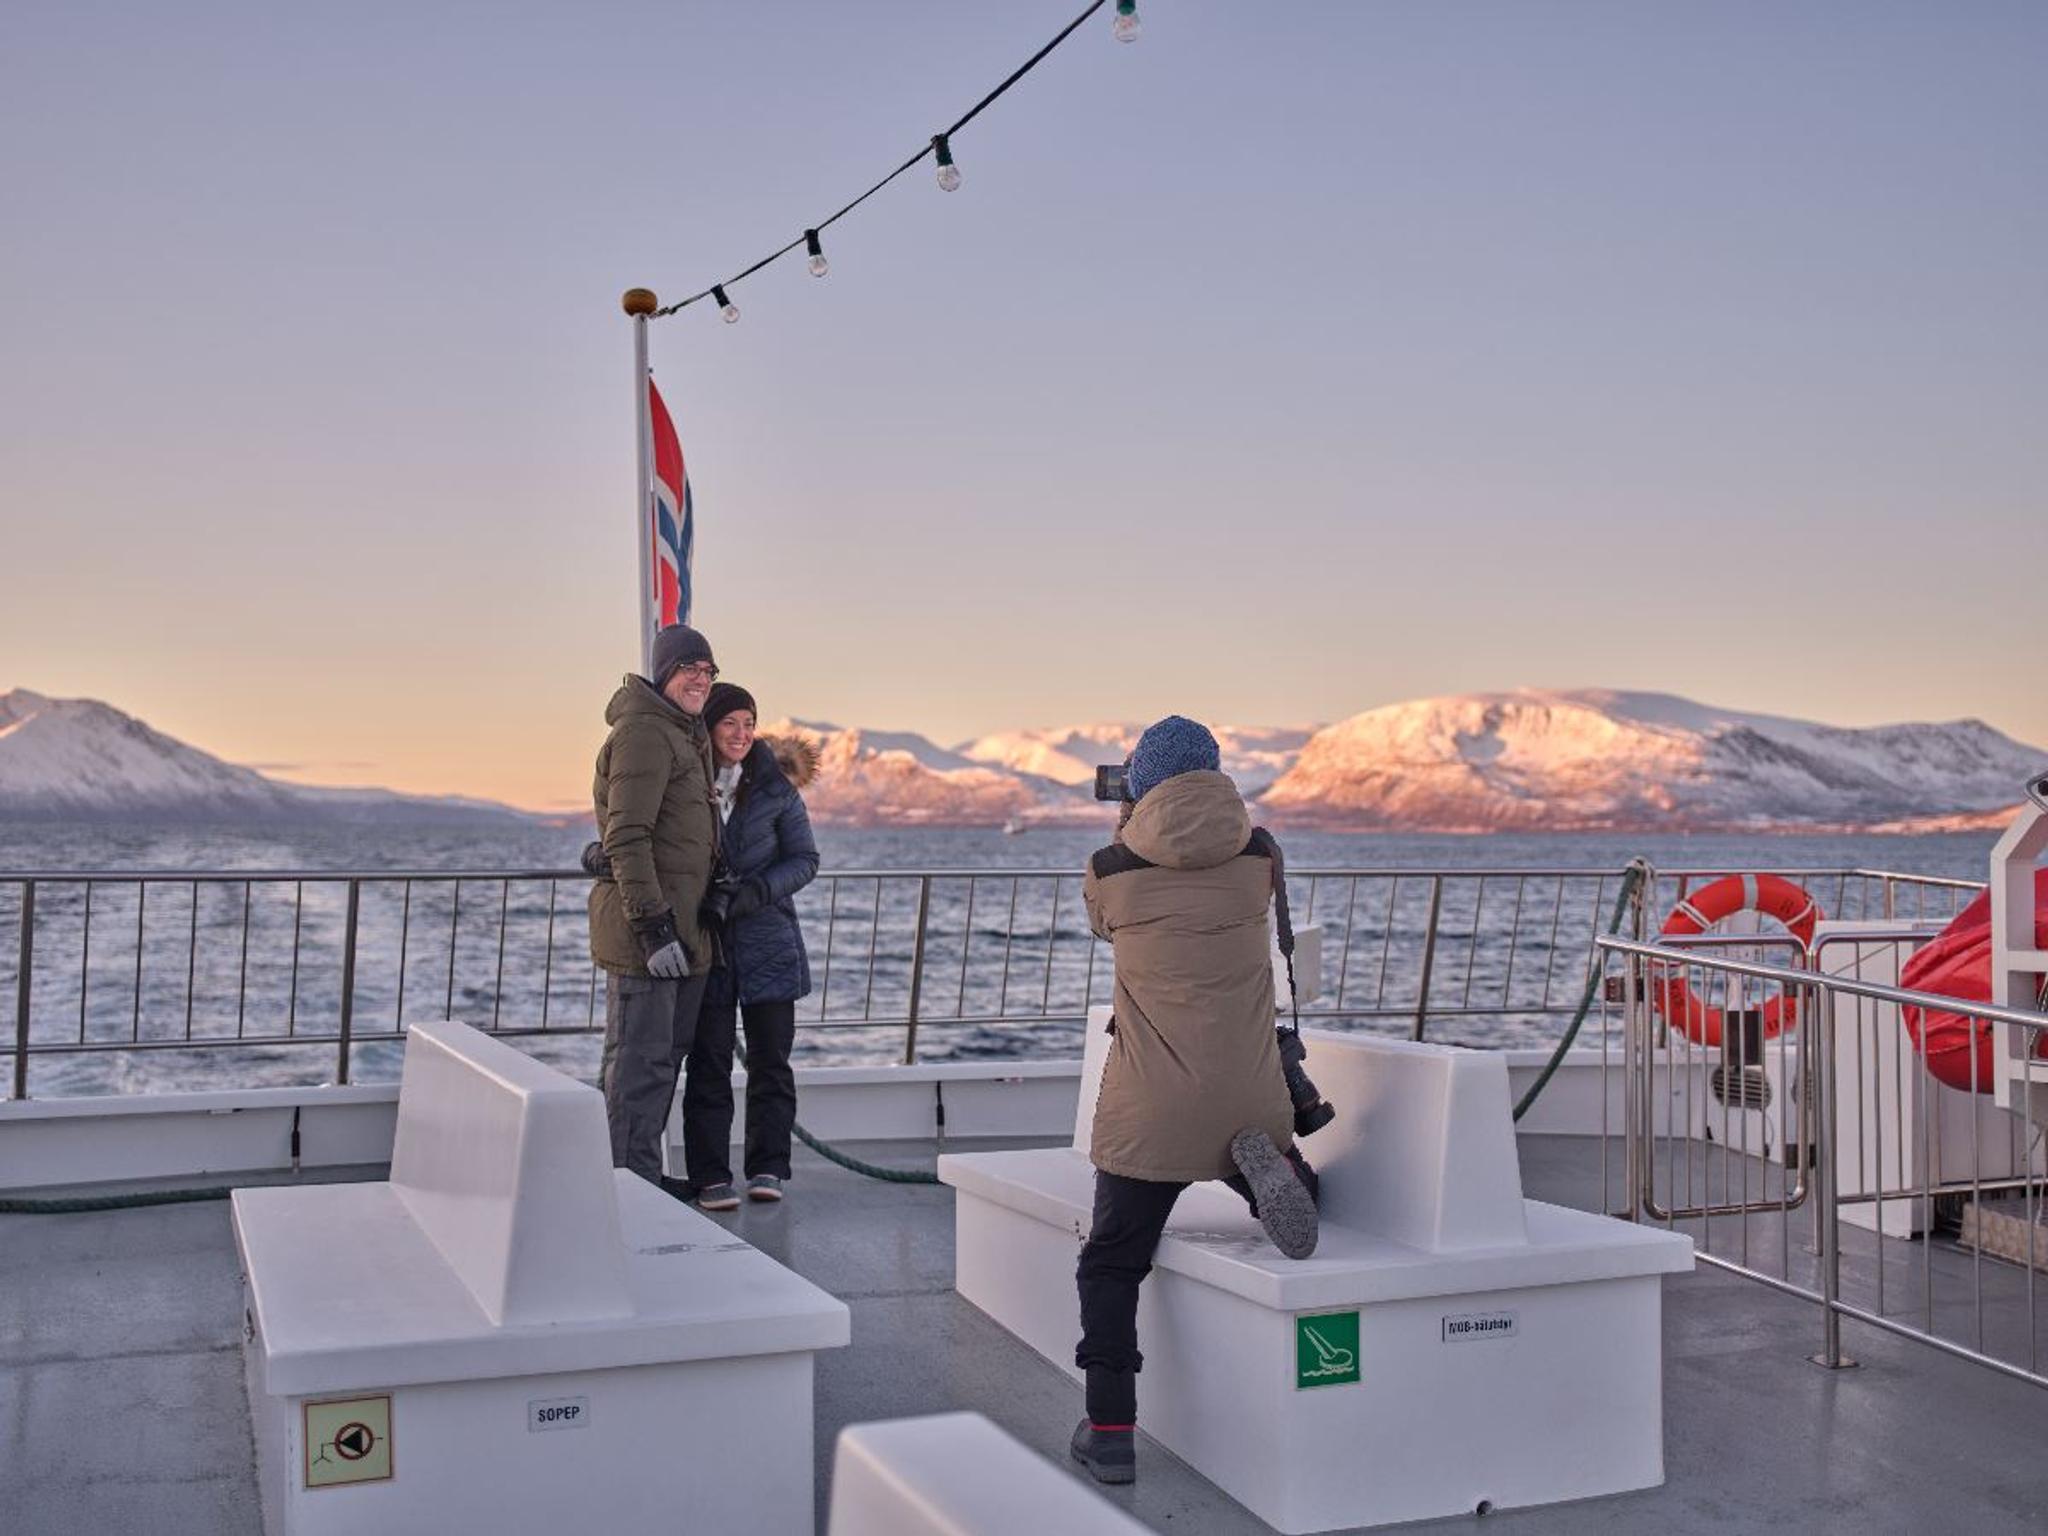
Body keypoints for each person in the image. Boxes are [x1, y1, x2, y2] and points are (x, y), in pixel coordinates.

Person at [1069, 715, 1320, 1486]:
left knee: (1111, 1263)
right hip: (1250, 1095)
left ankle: (1110, 1428)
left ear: (1139, 783)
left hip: (1152, 1110)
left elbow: (1104, 925)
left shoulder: (1110, 867)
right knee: (1261, 1154)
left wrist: (1130, 825)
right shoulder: (1260, 857)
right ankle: (1285, 1177)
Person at [586, 623, 723, 1186]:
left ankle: (641, 1174)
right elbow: (628, 836)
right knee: (638, 1068)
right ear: (665, 672)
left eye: (708, 670)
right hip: (650, 936)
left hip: (685, 932)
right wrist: (653, 928)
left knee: (662, 1063)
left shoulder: (684, 734)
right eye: (689, 667)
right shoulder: (645, 731)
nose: (700, 678)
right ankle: (624, 1186)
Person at [679, 683, 821, 1211]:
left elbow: (805, 859)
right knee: (709, 1064)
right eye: (729, 723)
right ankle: (710, 1175)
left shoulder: (776, 789)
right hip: (708, 943)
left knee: (770, 1064)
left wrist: (757, 891)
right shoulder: (686, 781)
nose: (741, 734)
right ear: (709, 727)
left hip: (768, 941)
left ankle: (768, 1168)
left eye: (749, 723)